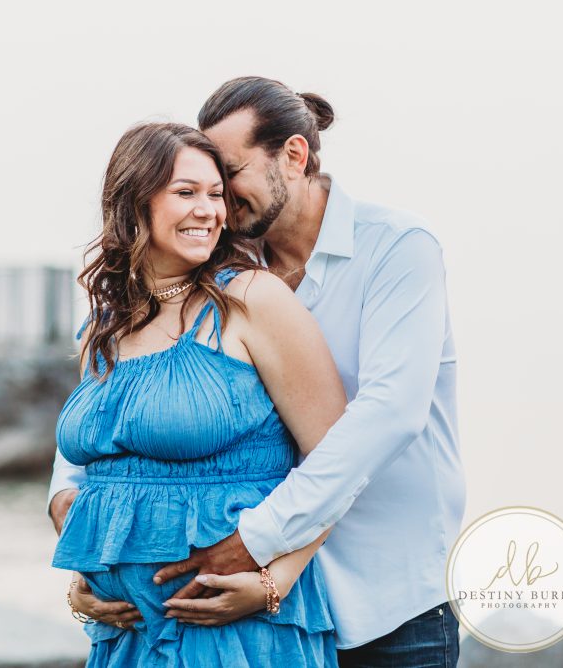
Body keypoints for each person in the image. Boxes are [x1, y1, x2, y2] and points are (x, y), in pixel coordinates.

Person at [50, 78, 466, 668]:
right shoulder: (216, 270)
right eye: (193, 186)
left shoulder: (396, 249)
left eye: (226, 178)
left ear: (294, 156)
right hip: (220, 606)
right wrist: (82, 539)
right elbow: (109, 423)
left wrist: (261, 551)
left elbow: (387, 416)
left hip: (383, 596)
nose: (215, 203)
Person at [50, 121, 347, 666]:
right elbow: (105, 472)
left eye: (217, 195)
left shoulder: (253, 299)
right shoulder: (108, 322)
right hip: (127, 634)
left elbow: (336, 462)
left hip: (236, 630)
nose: (209, 211)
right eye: (186, 193)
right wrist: (82, 579)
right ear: (134, 202)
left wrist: (274, 583)